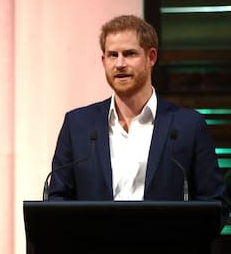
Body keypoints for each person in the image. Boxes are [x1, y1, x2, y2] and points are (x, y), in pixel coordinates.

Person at [47, 15, 228, 227]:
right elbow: (57, 201)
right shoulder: (77, 125)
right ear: (103, 61)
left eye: (130, 54)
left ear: (151, 57)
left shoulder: (188, 126)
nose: (120, 64)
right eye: (112, 55)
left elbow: (216, 206)